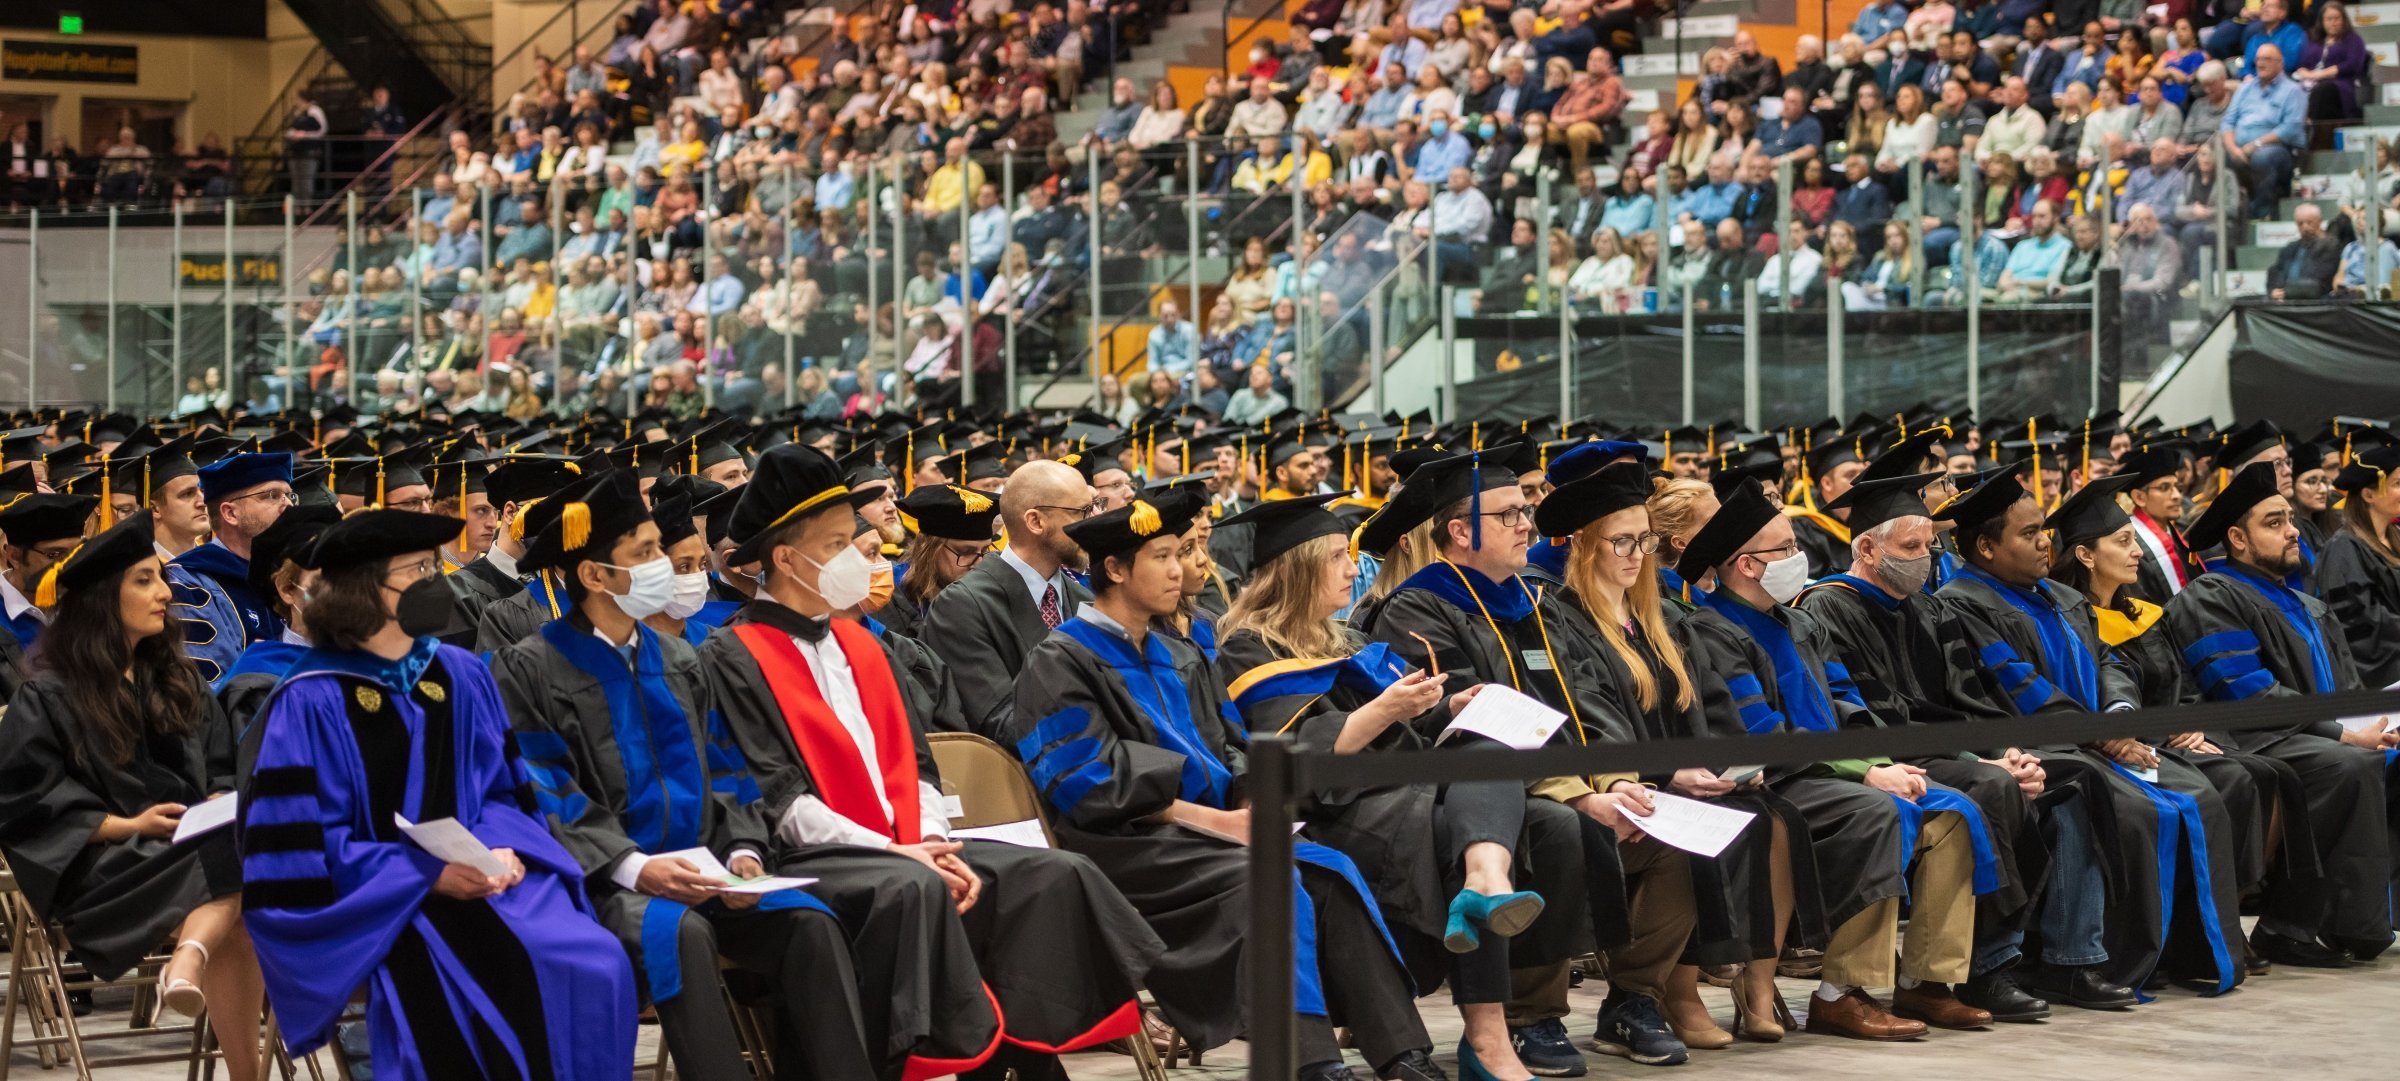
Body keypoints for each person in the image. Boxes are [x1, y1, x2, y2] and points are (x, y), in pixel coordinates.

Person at [1010, 488, 1444, 1081]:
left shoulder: (1178, 653)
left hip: (1209, 837)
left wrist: (1250, 799)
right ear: (1113, 569)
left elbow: (1234, 749)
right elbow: (1086, 784)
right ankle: (1312, 1062)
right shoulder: (1060, 660)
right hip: (1127, 848)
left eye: (1179, 552)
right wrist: (1215, 820)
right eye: (1161, 556)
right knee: (1270, 879)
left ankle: (1401, 1055)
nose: (1179, 569)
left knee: (1329, 873)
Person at [490, 469, 874, 1078]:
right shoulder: (530, 667)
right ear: (594, 575)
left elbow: (728, 768)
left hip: (711, 869)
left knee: (810, 923)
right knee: (684, 934)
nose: (661, 566)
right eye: (643, 554)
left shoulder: (678, 659)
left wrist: (745, 849)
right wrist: (637, 866)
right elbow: (544, 789)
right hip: (606, 884)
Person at [239, 508, 637, 1077]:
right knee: (494, 970)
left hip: (486, 872)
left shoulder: (458, 673)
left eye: (434, 565)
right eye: (418, 570)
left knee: (596, 960)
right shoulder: (311, 697)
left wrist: (499, 855)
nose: (437, 582)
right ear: (364, 590)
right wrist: (426, 875)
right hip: (381, 897)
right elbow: (303, 849)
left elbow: (503, 792)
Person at [1358, 450, 1703, 1071]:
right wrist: (1578, 793)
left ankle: (1633, 1000)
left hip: (1575, 779)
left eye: (1526, 509)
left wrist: (1621, 779)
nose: (1528, 522)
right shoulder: (1417, 610)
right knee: (1562, 829)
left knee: (1670, 829)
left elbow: (1591, 700)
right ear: (1461, 532)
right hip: (1481, 793)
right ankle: (1531, 1015)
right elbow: (1467, 724)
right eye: (1511, 512)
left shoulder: (1540, 604)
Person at [1216, 493, 1576, 1081]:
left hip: (1403, 791)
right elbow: (1291, 761)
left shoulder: (1345, 641)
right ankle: (1488, 1038)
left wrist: (1446, 706)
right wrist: (1386, 710)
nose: (1348, 569)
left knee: (1516, 784)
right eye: (1335, 556)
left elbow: (1412, 727)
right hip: (1334, 809)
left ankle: (1486, 882)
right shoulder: (1248, 650)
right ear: (1299, 568)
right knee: (1472, 828)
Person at [1669, 486, 1993, 1037]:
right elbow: (1760, 736)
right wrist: (1863, 772)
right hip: (1780, 780)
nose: (1800, 558)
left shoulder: (1799, 624)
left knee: (1953, 811)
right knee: (1878, 812)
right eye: (1786, 547)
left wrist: (1880, 761)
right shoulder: (1711, 631)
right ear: (1746, 564)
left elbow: (1846, 706)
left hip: (1829, 771)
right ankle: (1840, 991)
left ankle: (1927, 983)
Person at [1538, 461, 1836, 1048]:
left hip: (1674, 778)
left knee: (1762, 817)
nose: (1636, 554)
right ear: (1583, 547)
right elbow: (1587, 713)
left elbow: (1700, 705)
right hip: (1616, 785)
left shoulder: (1663, 620)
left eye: (1644, 541)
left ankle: (1674, 994)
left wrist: (1721, 767)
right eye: (1620, 542)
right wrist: (1666, 772)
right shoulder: (1560, 621)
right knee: (1689, 837)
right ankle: (1656, 993)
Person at [1933, 470, 2247, 998]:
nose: (2045, 542)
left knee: (2199, 793)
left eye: (2044, 530)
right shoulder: (1965, 604)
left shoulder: (2059, 597)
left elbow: (2108, 661)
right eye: (2029, 533)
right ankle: (2090, 961)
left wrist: (2119, 713)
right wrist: (2102, 735)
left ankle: (2181, 950)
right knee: (2132, 808)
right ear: (1985, 547)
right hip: (2038, 745)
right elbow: (2015, 682)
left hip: (2095, 738)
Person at [0, 518, 262, 1080]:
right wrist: (130, 823)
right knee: (238, 883)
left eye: (161, 578)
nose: (165, 593)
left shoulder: (178, 680)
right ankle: (201, 980)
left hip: (192, 846)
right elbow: (25, 802)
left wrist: (218, 801)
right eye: (145, 580)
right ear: (101, 599)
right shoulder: (46, 696)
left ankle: (195, 967)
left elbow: (222, 769)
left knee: (238, 872)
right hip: (103, 865)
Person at [2166, 461, 2399, 964]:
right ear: (2237, 538)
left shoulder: (2305, 604)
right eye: (2274, 523)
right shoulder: (2211, 595)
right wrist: (2341, 734)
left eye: (2290, 519)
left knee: (2384, 758)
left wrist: (2376, 726)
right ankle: (2292, 927)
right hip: (2249, 734)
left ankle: (2365, 917)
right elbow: (2245, 691)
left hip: (2307, 732)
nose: (2294, 530)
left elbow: (2349, 688)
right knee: (2347, 765)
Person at [169, 452, 296, 684]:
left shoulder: (293, 577)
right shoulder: (189, 582)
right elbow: (207, 690)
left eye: (289, 495)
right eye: (272, 495)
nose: (287, 504)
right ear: (230, 513)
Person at [2318, 444, 2400, 686]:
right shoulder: (2342, 549)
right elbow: (2359, 623)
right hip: (2382, 674)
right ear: (2368, 494)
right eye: (2397, 484)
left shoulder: (2395, 536)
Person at [888, 483, 1000, 649]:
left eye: (985, 550)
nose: (978, 563)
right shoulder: (892, 592)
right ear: (928, 549)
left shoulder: (992, 591)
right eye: (965, 551)